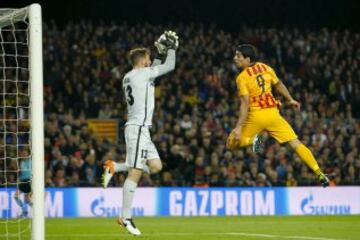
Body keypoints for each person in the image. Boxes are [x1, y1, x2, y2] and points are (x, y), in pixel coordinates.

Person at [101, 31, 178, 236]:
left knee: (155, 166)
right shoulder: (143, 74)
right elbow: (169, 66)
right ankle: (125, 217)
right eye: (149, 58)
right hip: (137, 129)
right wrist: (170, 49)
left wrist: (159, 54)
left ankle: (114, 166)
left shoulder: (129, 76)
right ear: (142, 61)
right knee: (135, 172)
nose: (151, 61)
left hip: (142, 130)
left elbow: (154, 69)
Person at [227, 44, 329, 187]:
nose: (234, 58)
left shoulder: (241, 78)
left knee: (231, 143)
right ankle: (319, 172)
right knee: (296, 144)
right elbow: (279, 85)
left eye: (238, 56)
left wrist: (238, 127)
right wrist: (290, 99)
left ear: (247, 59)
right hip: (274, 115)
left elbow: (245, 104)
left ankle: (253, 140)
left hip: (257, 116)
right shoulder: (266, 68)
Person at [14, 148, 32, 217]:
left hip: (28, 181)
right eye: (23, 153)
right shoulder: (20, 162)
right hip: (23, 181)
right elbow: (20, 173)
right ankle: (25, 210)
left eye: (25, 153)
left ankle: (26, 211)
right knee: (17, 197)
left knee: (25, 198)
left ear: (28, 154)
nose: (24, 154)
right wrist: (18, 180)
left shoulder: (31, 161)